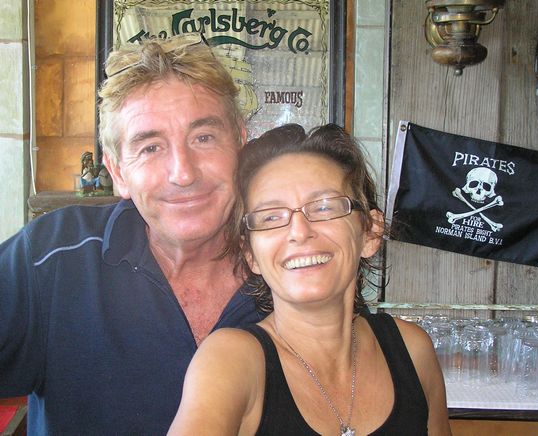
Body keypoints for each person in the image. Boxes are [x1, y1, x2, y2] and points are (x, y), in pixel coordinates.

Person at [0, 33, 265, 435]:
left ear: (241, 144)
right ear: (118, 172)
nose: (183, 173)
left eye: (204, 138)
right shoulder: (52, 257)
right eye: (150, 147)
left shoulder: (291, 262)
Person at [168, 123, 452, 435]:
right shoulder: (232, 361)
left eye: (324, 207)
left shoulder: (412, 351)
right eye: (271, 217)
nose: (299, 232)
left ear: (370, 233)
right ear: (251, 255)